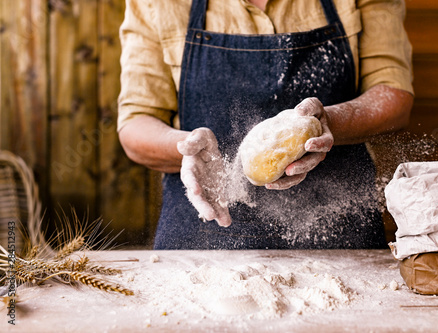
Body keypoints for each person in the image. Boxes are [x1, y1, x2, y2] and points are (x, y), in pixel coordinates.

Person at [118, 0, 414, 250]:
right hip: (203, 239)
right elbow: (136, 123)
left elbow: (394, 96)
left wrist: (329, 121)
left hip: (338, 234)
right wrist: (186, 148)